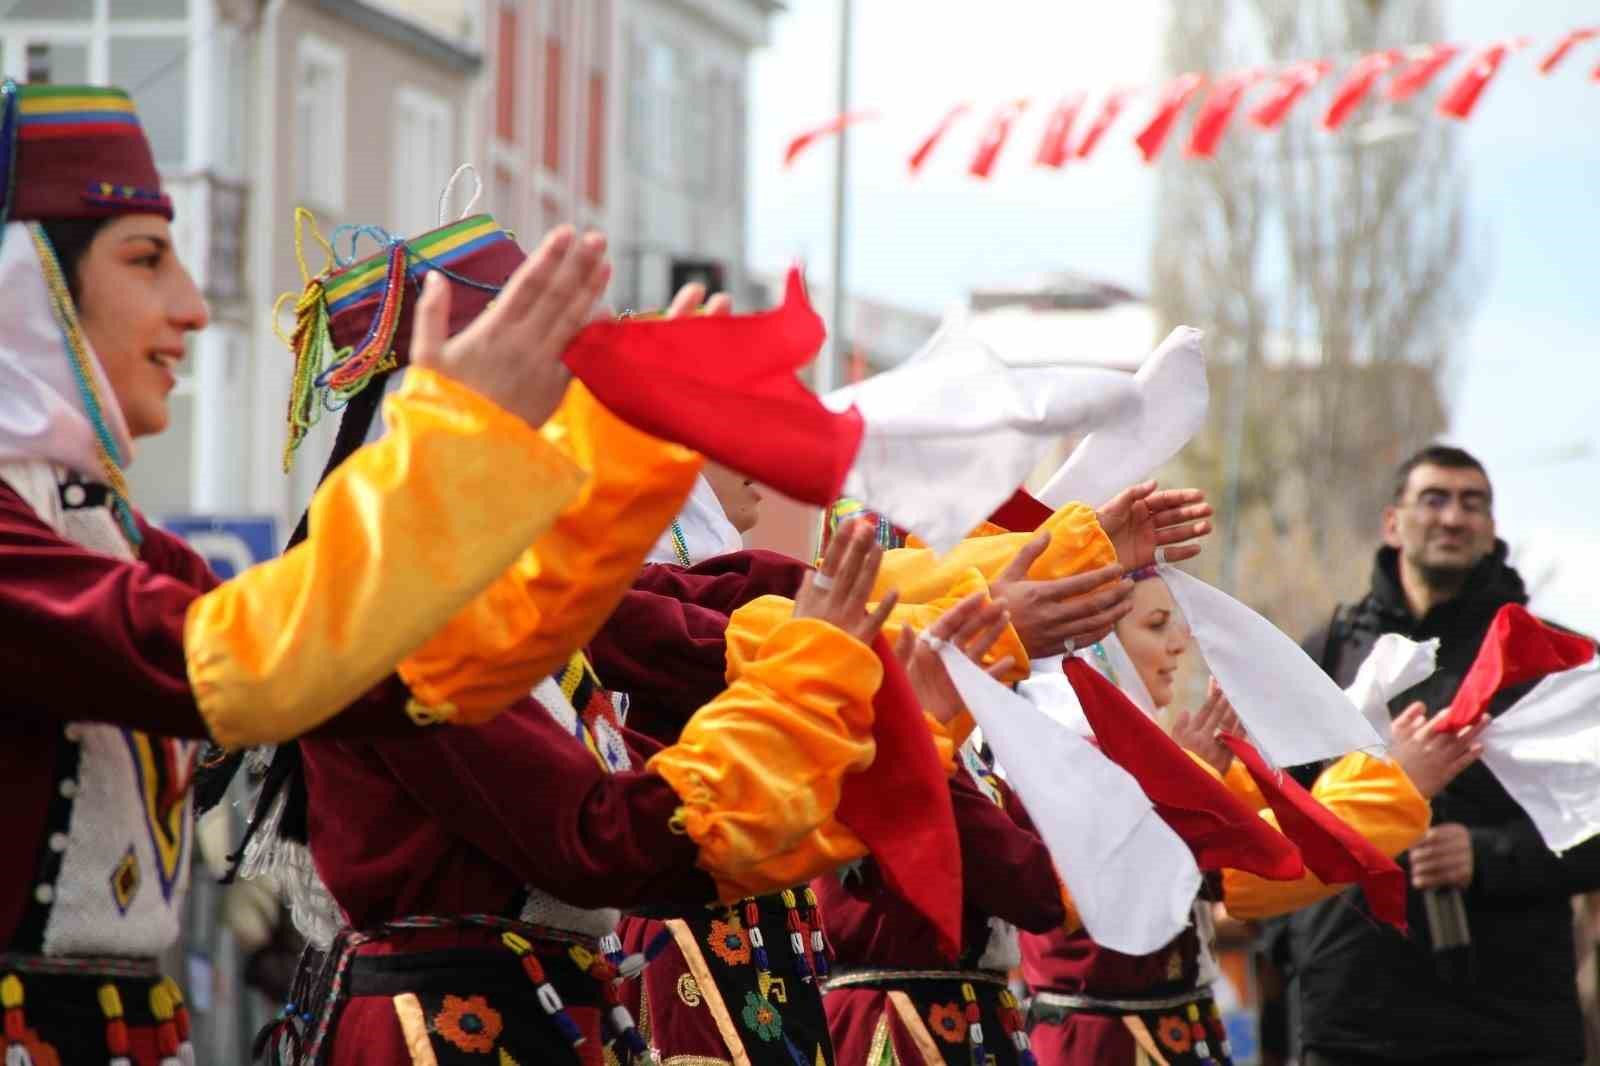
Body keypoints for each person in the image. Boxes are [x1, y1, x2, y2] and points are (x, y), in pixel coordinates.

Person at [0, 81, 605, 1063]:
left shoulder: (124, 540)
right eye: (146, 259)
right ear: (22, 285)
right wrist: (463, 457)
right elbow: (247, 660)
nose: (191, 306)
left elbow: (374, 680)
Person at [1020, 569, 1484, 1066]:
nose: (1180, 643)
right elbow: (1243, 867)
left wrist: (1200, 781)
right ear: (1095, 646)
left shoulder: (1113, 754)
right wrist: (1396, 786)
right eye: (1156, 625)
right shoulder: (1066, 753)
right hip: (1103, 1047)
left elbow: (1249, 843)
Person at [1292, 444, 1600, 1066]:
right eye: (1433, 499)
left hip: (1509, 1022)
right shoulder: (1323, 653)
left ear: (1490, 529)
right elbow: (1281, 820)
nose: (1453, 517)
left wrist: (1487, 855)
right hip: (1350, 1016)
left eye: (1472, 503)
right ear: (1392, 522)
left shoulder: (1558, 664)